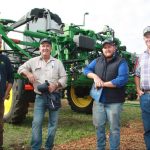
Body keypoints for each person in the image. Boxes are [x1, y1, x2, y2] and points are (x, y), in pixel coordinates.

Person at [18, 38, 67, 150]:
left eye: (47, 46)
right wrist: (28, 73)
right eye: (43, 45)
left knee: (53, 124)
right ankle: (35, 147)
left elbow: (64, 78)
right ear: (39, 48)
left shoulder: (57, 63)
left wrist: (56, 85)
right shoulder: (33, 61)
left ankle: (48, 146)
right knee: (37, 123)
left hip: (54, 96)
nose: (45, 48)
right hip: (40, 97)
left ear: (51, 48)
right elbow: (20, 68)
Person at [83, 39, 129, 150]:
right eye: (105, 47)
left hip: (114, 102)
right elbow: (86, 69)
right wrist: (95, 77)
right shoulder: (97, 60)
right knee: (99, 127)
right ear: (102, 49)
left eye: (109, 47)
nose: (107, 49)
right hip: (98, 101)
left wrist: (103, 84)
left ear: (114, 48)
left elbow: (122, 79)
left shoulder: (121, 61)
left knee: (114, 129)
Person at [134, 26, 150, 149]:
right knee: (148, 128)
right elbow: (137, 74)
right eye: (146, 36)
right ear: (144, 38)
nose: (148, 38)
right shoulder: (141, 57)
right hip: (145, 96)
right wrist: (138, 90)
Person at [0, 36, 14, 150]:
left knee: (0, 124)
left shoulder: (5, 59)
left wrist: (6, 94)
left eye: (0, 41)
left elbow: (11, 78)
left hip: (0, 98)